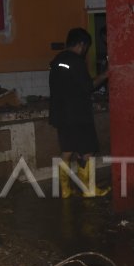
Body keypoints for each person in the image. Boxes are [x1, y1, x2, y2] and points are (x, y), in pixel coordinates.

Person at [49, 27, 109, 199]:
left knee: (67, 150)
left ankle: (65, 190)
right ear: (82, 44)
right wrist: (105, 74)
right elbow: (88, 86)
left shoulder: (57, 61)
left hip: (60, 115)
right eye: (86, 47)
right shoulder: (76, 61)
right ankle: (88, 189)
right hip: (78, 115)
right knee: (87, 151)